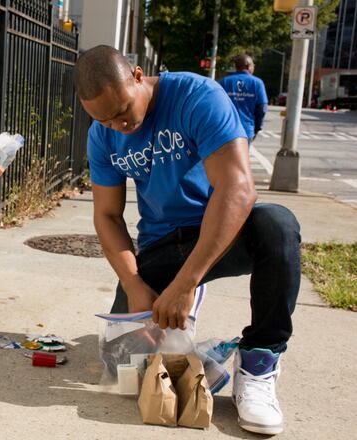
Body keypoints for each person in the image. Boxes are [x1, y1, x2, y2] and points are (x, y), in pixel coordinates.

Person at [74, 46, 300, 435]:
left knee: (278, 226)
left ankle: (259, 361)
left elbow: (238, 188)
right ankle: (178, 318)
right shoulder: (103, 135)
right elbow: (108, 215)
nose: (119, 126)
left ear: (139, 76)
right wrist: (135, 285)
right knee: (123, 365)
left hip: (223, 231)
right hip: (163, 243)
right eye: (105, 120)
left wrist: (186, 283)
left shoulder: (197, 97)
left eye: (124, 111)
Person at [219, 55, 269, 143]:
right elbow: (262, 108)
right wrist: (257, 128)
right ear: (248, 66)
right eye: (253, 65)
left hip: (225, 129)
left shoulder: (224, 82)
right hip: (246, 130)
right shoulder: (257, 83)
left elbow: (217, 106)